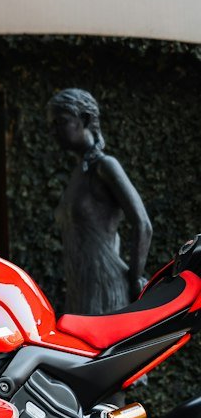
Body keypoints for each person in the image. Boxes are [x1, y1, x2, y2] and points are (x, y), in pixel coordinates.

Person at [47, 88, 152, 316]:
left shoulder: (105, 166)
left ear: (83, 119)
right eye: (52, 124)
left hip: (107, 285)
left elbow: (143, 224)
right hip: (80, 285)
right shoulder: (79, 173)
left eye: (61, 122)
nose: (53, 130)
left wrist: (135, 279)